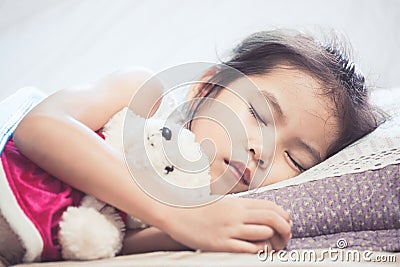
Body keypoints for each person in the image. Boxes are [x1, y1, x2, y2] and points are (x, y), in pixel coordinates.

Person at [4, 29, 379, 261]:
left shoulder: (208, 205)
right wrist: (179, 218)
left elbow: (115, 240)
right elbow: (39, 127)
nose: (261, 150)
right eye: (258, 113)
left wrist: (185, 230)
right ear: (207, 88)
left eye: (295, 159)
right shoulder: (142, 98)